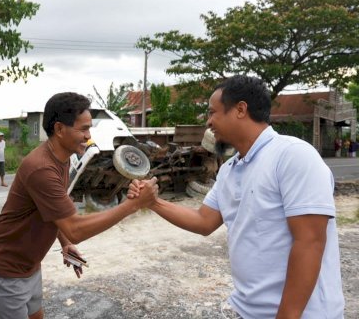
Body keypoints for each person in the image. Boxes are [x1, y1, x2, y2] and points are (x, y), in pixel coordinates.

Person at [129, 75, 344, 318]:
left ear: (240, 109)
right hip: (248, 311)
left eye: (213, 112)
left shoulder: (293, 155)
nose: (209, 122)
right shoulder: (230, 169)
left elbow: (310, 241)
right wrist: (154, 203)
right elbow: (204, 221)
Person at [0, 92, 158, 319]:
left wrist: (65, 243)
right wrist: (132, 205)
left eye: (89, 128)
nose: (88, 136)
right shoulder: (42, 169)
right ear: (59, 129)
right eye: (83, 129)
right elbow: (75, 228)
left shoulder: (62, 159)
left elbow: (55, 212)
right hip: (6, 269)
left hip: (30, 265)